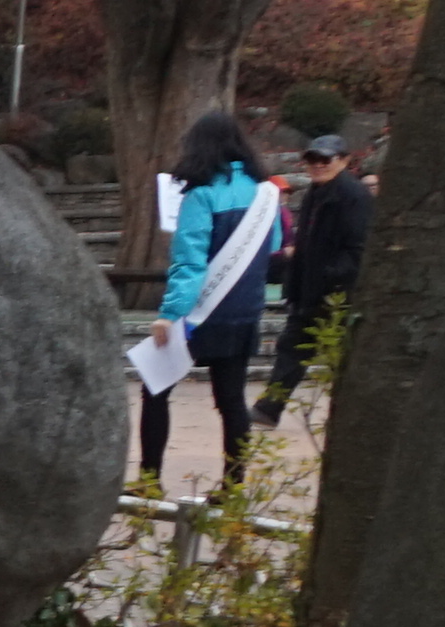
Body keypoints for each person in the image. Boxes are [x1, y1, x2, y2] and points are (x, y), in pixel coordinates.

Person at [141, 109, 282, 487]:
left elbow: (190, 262)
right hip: (245, 311)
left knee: (155, 389)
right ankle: (233, 487)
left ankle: (149, 482)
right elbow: (274, 244)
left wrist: (170, 313)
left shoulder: (201, 195)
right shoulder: (266, 192)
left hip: (200, 315)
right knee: (232, 401)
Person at [262, 128, 369, 426]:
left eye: (326, 159)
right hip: (309, 289)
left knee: (339, 356)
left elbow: (357, 248)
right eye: (312, 159)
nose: (318, 165)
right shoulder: (315, 193)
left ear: (344, 160)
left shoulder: (354, 196)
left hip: (336, 293)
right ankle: (269, 408)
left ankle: (350, 416)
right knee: (291, 348)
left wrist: (330, 278)